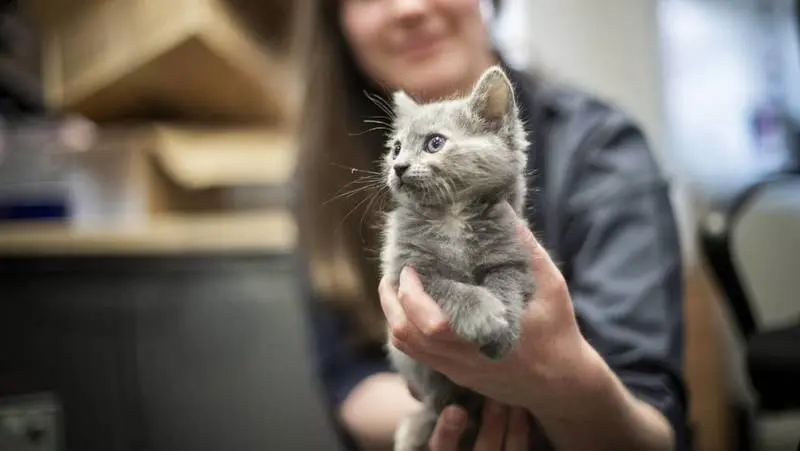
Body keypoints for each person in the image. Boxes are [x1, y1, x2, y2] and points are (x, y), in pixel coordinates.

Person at [292, 0, 689, 450]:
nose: (407, 7)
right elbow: (352, 377)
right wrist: (455, 417)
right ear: (335, 20)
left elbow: (652, 424)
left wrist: (554, 382)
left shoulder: (601, 151)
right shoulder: (328, 172)